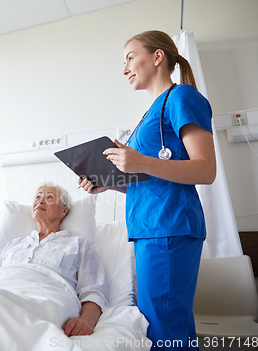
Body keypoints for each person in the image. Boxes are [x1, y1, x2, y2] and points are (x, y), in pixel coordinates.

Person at [79, 30, 216, 350]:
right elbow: (151, 180)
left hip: (169, 225)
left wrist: (140, 161)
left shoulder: (182, 97)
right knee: (156, 322)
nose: (125, 67)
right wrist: (109, 183)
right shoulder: (146, 118)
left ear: (157, 57)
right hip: (150, 227)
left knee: (167, 325)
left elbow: (205, 169)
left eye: (130, 57)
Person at [0, 184, 108, 337]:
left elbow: (93, 291)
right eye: (38, 197)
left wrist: (86, 321)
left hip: (45, 298)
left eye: (49, 197)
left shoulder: (78, 245)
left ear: (64, 210)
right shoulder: (13, 245)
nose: (40, 201)